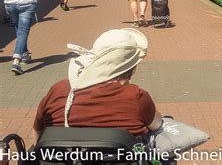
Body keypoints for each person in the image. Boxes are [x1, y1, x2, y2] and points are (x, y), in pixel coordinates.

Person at [33, 28, 162, 141]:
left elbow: (38, 132)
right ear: (131, 67)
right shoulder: (136, 96)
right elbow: (157, 124)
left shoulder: (59, 90)